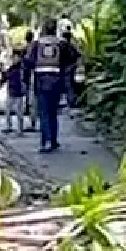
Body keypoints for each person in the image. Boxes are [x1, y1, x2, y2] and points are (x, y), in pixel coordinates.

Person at [27, 20, 80, 153]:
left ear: (43, 29)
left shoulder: (37, 44)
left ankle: (47, 141)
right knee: (52, 112)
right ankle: (54, 140)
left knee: (43, 112)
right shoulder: (62, 43)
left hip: (41, 80)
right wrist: (65, 70)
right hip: (57, 80)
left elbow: (28, 61)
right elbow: (74, 56)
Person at [2, 48, 32, 134]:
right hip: (11, 92)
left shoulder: (23, 69)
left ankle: (20, 129)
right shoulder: (11, 68)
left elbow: (26, 80)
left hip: (18, 93)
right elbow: (4, 78)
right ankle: (9, 126)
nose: (14, 59)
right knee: (7, 111)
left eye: (15, 57)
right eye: (13, 57)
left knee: (19, 112)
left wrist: (25, 89)